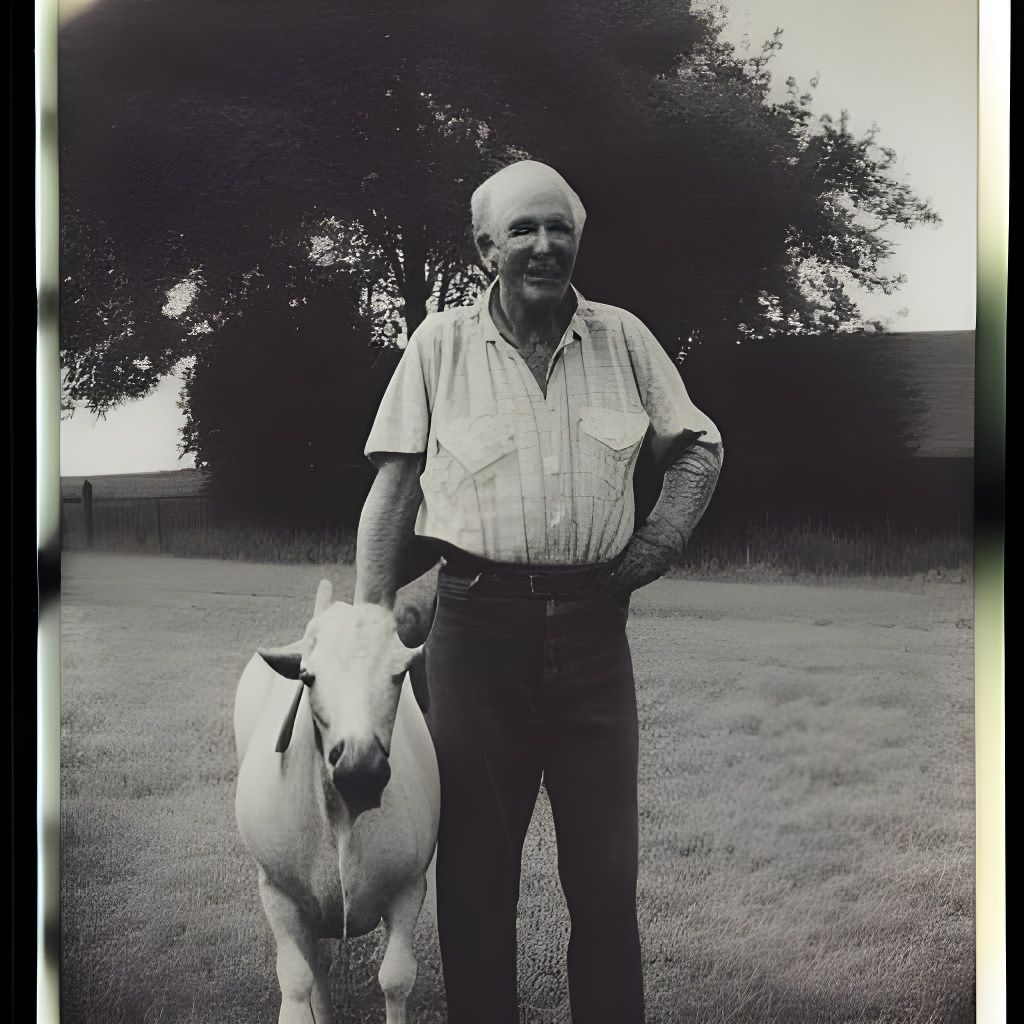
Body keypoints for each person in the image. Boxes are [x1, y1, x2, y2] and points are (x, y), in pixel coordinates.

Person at [354, 160, 723, 1024]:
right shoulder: (438, 345)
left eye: (559, 228)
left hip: (597, 634)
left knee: (605, 877)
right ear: (486, 246)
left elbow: (698, 446)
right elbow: (395, 491)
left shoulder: (625, 338)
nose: (544, 246)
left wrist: (658, 541)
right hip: (476, 633)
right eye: (523, 230)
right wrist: (370, 626)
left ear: (578, 238)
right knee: (479, 875)